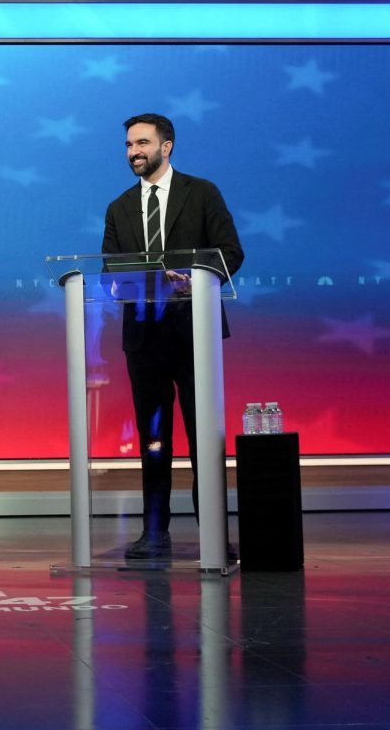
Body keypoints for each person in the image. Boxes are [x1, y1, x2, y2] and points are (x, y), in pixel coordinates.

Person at [101, 113, 244, 559]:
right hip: (144, 339)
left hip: (193, 334)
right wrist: (120, 284)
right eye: (128, 145)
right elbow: (109, 269)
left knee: (205, 438)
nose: (133, 152)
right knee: (154, 439)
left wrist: (196, 278)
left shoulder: (201, 193)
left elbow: (232, 253)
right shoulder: (119, 207)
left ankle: (213, 535)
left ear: (167, 147)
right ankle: (154, 534)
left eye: (142, 143)